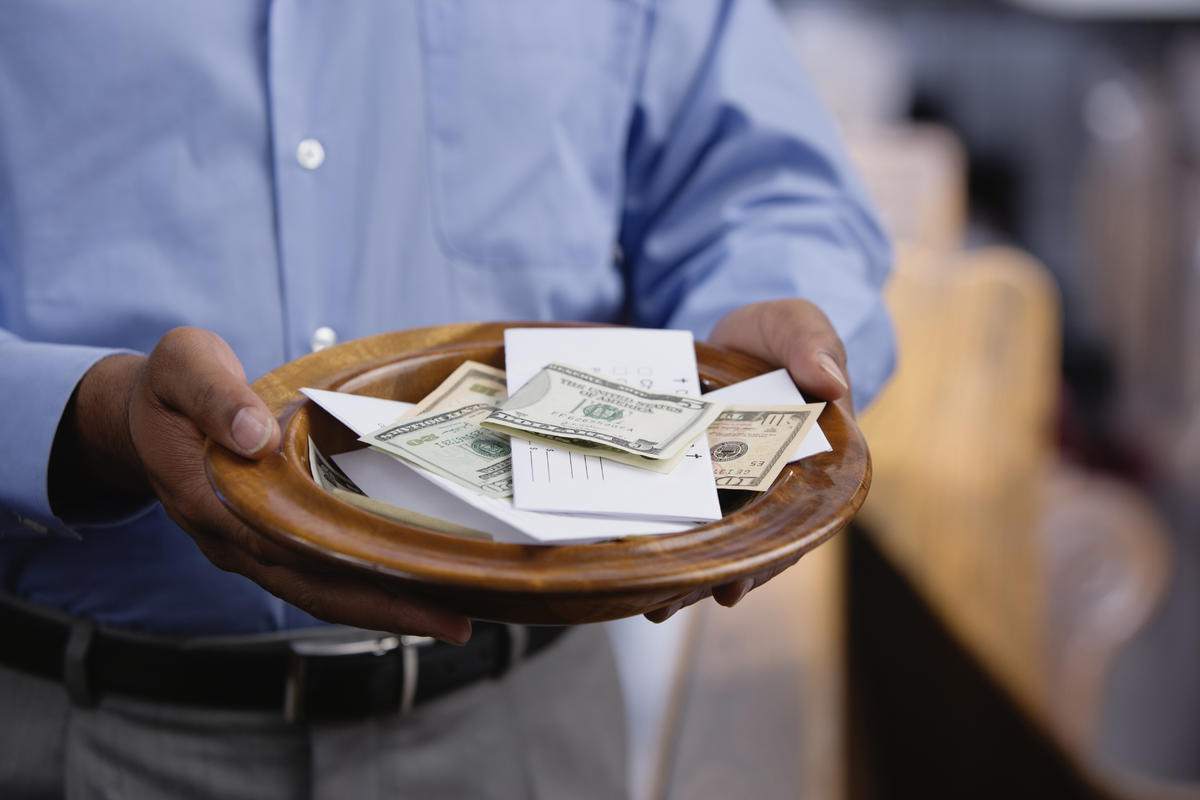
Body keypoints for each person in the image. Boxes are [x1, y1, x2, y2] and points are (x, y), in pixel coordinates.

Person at [0, 0, 894, 797]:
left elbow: (772, 195)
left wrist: (750, 352)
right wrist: (84, 420)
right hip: (74, 734)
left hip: (525, 736)